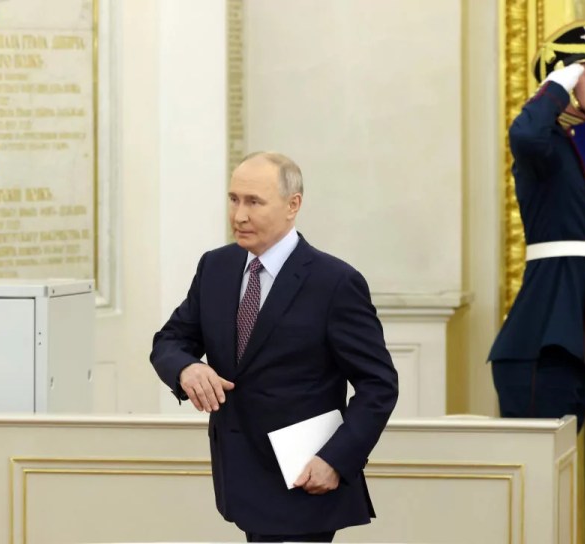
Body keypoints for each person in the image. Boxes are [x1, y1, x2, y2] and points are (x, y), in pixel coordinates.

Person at [150, 152, 399, 542]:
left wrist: (336, 460)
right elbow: (170, 340)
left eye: (254, 202)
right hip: (238, 479)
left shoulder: (335, 282)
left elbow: (379, 385)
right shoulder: (215, 267)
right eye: (234, 199)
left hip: (305, 481)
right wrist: (186, 369)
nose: (239, 215)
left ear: (292, 205)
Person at [489, 21, 585, 433]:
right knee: (541, 465)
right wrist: (557, 84)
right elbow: (526, 134)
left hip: (576, 340)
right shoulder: (545, 145)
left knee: (561, 466)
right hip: (542, 344)